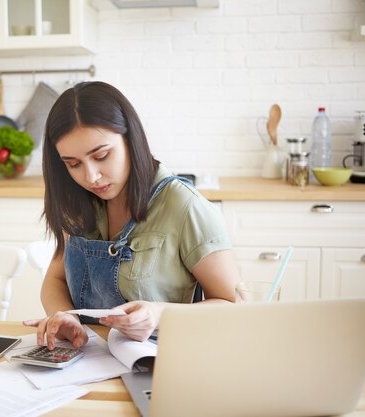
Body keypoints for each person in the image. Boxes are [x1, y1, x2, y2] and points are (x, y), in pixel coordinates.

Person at [24, 81, 240, 349]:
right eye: (74, 164)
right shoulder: (78, 202)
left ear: (130, 139)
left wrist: (159, 313)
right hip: (89, 360)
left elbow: (233, 306)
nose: (91, 177)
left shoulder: (184, 206)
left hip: (163, 363)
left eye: (102, 155)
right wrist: (65, 317)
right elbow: (55, 279)